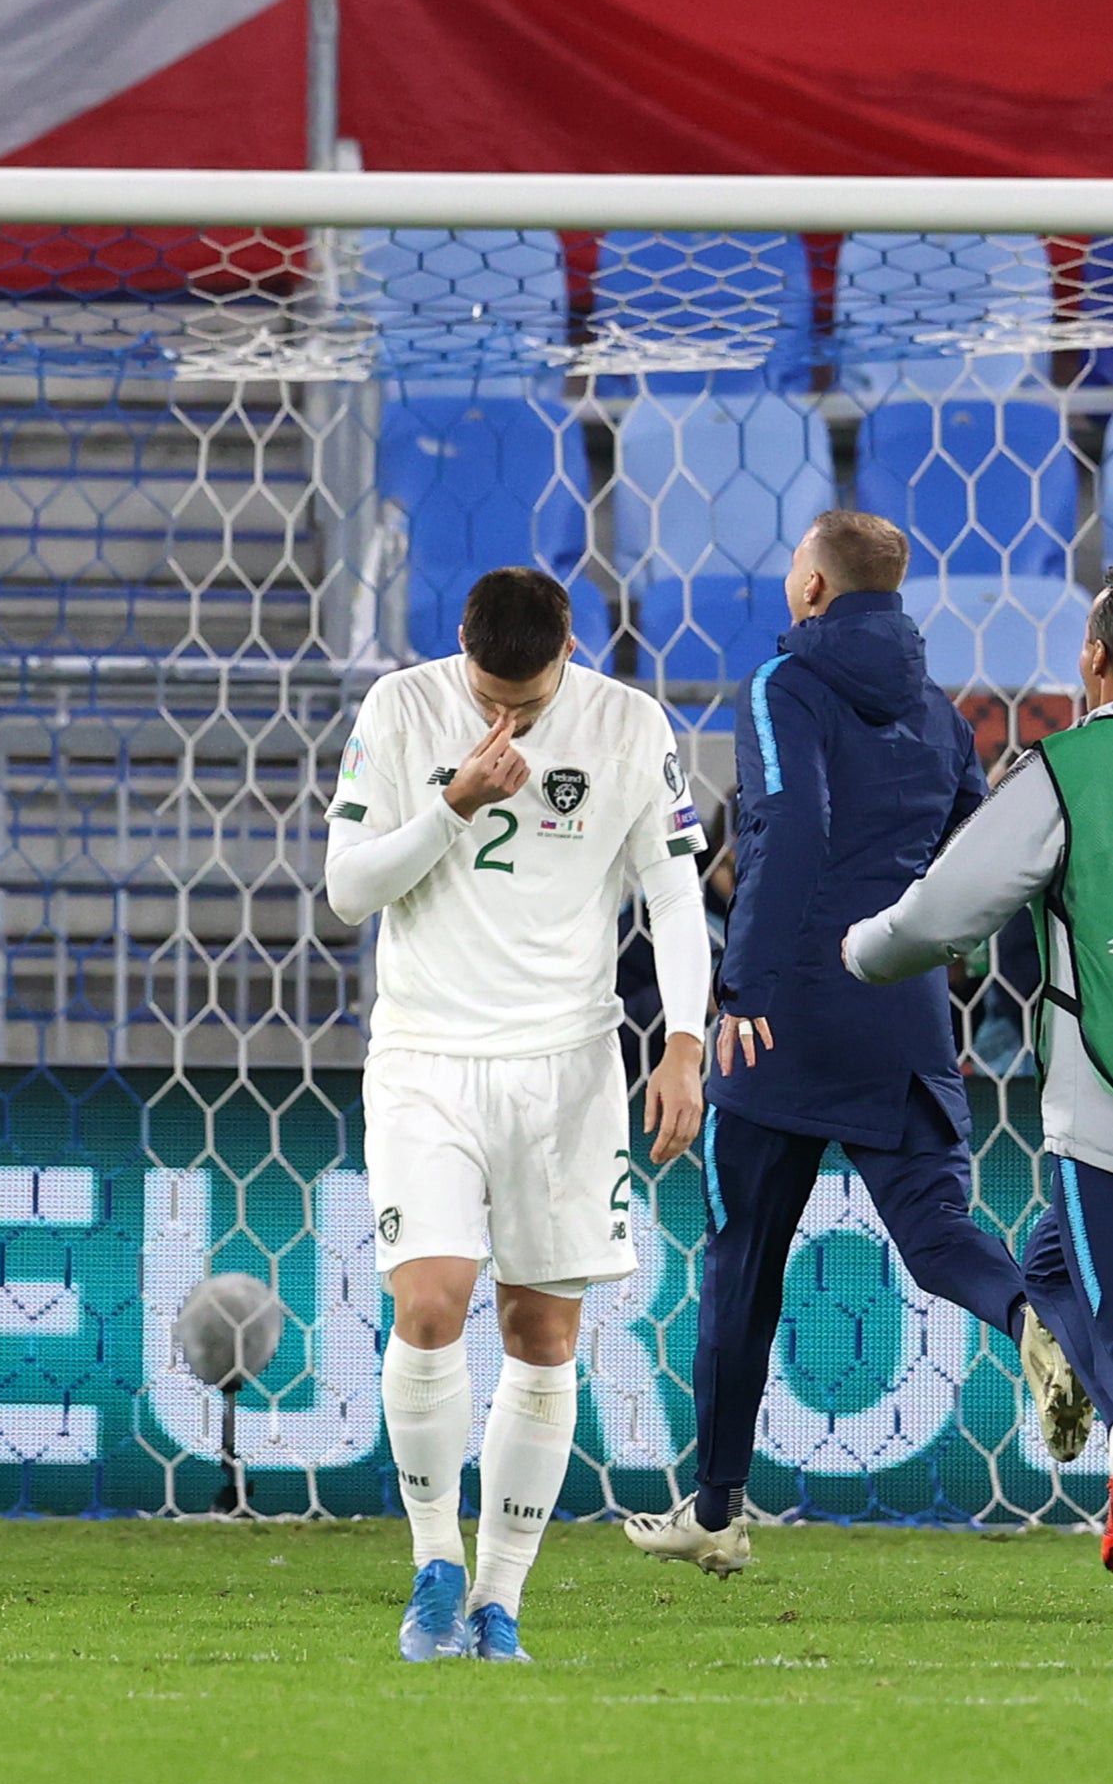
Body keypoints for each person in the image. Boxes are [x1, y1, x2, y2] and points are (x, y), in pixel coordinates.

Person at [629, 513, 1087, 1577]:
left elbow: (786, 829)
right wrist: (950, 966)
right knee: (935, 1232)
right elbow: (973, 852)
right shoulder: (937, 712)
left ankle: (718, 1507)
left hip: (780, 1015)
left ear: (813, 589)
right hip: (903, 1004)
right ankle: (1029, 1314)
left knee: (743, 1263)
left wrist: (737, 981)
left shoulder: (781, 688)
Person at [324, 566, 710, 1662]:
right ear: (458, 644)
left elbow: (675, 893)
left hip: (568, 1065)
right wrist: (452, 802)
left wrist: (682, 1039)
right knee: (431, 1305)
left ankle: (499, 1599)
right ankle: (433, 1567)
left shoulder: (628, 725)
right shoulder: (399, 707)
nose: (507, 719)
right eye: (490, 694)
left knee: (542, 1333)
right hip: (428, 1054)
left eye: (529, 703)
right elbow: (348, 888)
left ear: (570, 653)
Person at [846, 583, 1113, 1561]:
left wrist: (862, 952)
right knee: (1049, 1274)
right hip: (1078, 1151)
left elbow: (938, 915)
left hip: (1103, 1131)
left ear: (1090, 661)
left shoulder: (1068, 773)